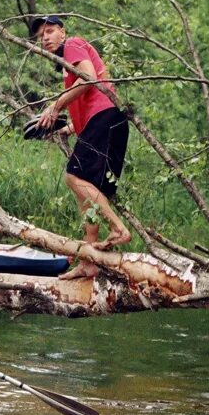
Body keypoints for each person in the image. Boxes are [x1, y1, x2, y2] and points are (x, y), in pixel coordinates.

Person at [31, 14, 132, 278]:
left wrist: (55, 106)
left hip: (106, 118)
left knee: (73, 177)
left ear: (63, 33)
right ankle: (89, 261)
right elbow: (90, 94)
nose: (46, 37)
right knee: (87, 194)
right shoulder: (67, 66)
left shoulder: (74, 44)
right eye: (41, 35)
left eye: (50, 31)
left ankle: (119, 229)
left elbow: (88, 78)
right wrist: (68, 128)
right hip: (108, 121)